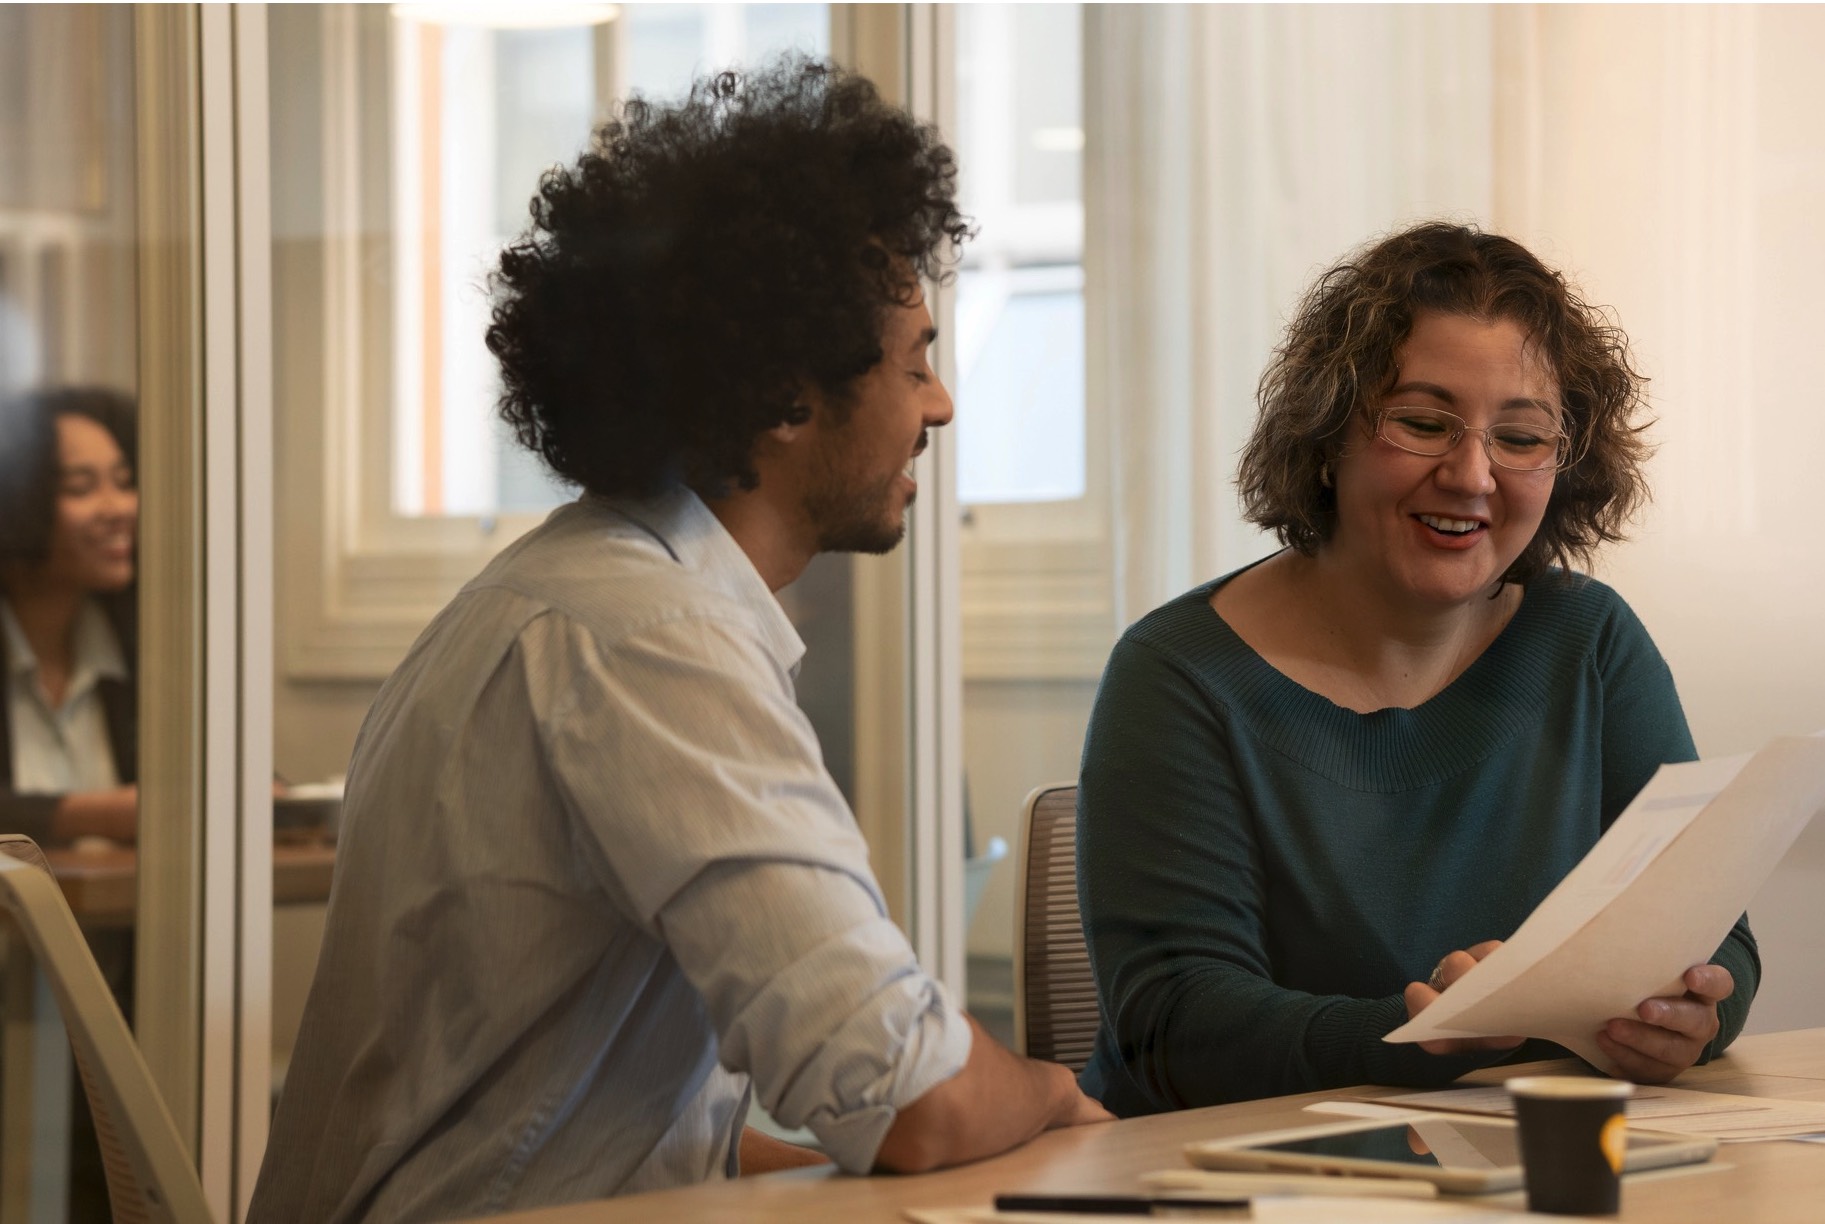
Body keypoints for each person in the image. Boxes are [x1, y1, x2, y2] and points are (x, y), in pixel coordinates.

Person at [249, 59, 1107, 1223]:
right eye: (913, 361)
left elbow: (603, 1130)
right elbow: (913, 1101)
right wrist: (1053, 1093)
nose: (940, 405)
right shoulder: (647, 638)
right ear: (788, 401)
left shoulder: (563, 594)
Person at [1075, 221, 1758, 1117]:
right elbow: (1171, 1024)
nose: (1471, 474)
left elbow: (1718, 943)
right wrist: (1418, 1037)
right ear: (1327, 436)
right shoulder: (1178, 674)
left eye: (1520, 438)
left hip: (1513, 1170)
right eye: (1423, 423)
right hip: (1230, 1185)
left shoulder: (1589, 643)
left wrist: (1691, 1015)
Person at [0, 386, 139, 846]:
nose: (119, 509)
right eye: (82, 488)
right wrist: (87, 816)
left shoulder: (148, 646)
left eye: (124, 482)